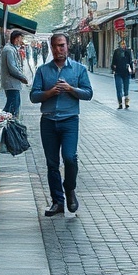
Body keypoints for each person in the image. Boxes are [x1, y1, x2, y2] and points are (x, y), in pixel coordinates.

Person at [30, 32, 94, 217]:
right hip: (48, 121)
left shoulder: (79, 69)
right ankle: (57, 202)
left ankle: (70, 189)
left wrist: (70, 89)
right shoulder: (43, 70)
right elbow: (34, 96)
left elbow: (88, 94)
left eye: (62, 45)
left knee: (69, 157)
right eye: (56, 46)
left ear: (68, 46)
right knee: (52, 164)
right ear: (51, 48)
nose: (59, 49)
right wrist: (50, 93)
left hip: (70, 120)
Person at [0, 29, 30, 117]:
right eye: (21, 39)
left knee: (12, 105)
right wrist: (22, 77)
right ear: (16, 39)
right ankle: (8, 122)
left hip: (13, 83)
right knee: (12, 107)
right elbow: (12, 68)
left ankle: (8, 121)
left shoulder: (11, 49)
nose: (21, 41)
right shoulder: (9, 50)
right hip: (11, 83)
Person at [111, 39, 134, 109]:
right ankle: (120, 103)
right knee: (119, 88)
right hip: (118, 72)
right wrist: (113, 68)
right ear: (120, 45)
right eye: (122, 44)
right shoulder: (116, 51)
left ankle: (126, 103)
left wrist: (132, 70)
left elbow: (130, 62)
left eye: (124, 44)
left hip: (126, 73)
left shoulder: (128, 52)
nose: (123, 45)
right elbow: (113, 62)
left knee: (126, 89)